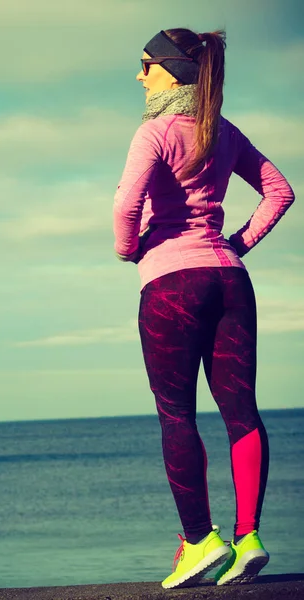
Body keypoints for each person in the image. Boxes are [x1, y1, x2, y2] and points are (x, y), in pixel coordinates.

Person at [113, 28, 295, 590]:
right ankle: (249, 538)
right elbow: (281, 192)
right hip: (231, 282)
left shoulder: (154, 131)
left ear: (172, 72)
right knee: (242, 411)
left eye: (147, 65)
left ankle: (198, 543)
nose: (140, 75)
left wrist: (129, 248)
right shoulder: (224, 132)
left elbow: (126, 206)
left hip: (172, 286)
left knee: (178, 416)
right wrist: (236, 244)